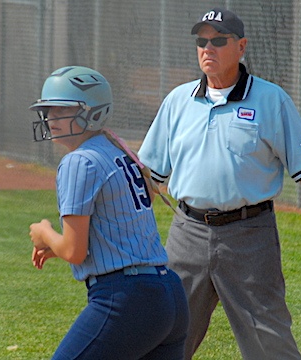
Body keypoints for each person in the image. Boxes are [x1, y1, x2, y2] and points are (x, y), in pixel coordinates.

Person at [138, 8, 301, 360]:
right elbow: (149, 178)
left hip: (249, 235)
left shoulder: (271, 100)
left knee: (269, 341)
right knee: (167, 333)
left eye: (218, 41)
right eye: (201, 41)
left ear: (241, 47)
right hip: (186, 234)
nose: (208, 48)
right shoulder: (178, 102)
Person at [28, 66, 189, 359]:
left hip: (127, 299)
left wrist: (44, 234)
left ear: (92, 112)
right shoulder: (116, 149)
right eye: (48, 110)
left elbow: (74, 251)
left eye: (61, 109)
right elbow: (117, 222)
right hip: (168, 295)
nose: (50, 118)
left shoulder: (80, 161)